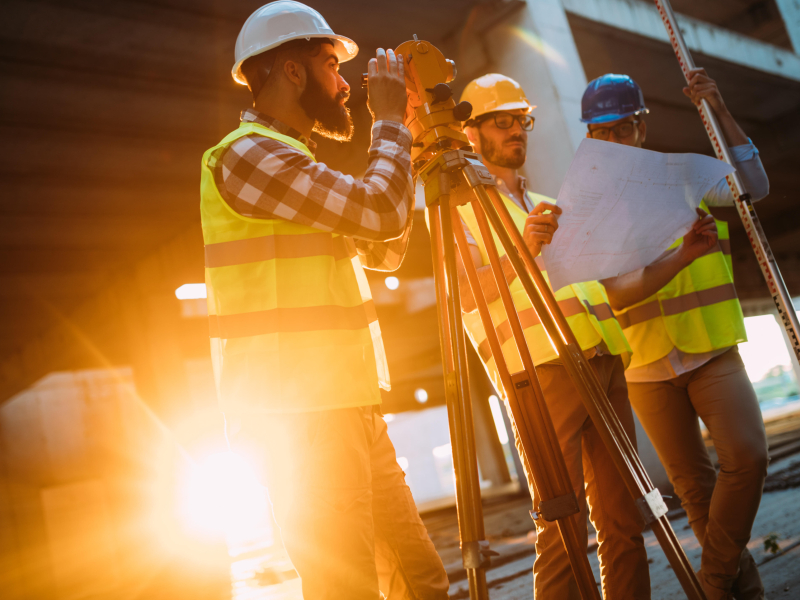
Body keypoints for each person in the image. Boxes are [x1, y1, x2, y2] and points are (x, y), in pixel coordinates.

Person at [199, 3, 449, 598]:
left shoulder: (298, 168)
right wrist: (387, 122)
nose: (345, 86)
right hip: (299, 417)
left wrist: (407, 141)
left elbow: (383, 249)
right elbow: (382, 215)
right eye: (333, 66)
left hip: (347, 406)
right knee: (350, 588)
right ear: (291, 71)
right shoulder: (246, 155)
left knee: (422, 581)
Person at [454, 73, 663, 599]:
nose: (516, 132)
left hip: (600, 358)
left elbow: (594, 286)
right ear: (471, 133)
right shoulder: (459, 212)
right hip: (539, 372)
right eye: (501, 123)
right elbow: (465, 294)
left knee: (624, 517)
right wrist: (523, 248)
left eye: (521, 122)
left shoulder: (547, 201)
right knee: (562, 525)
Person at [588, 72, 771, 600]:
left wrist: (719, 109)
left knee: (748, 457)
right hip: (646, 364)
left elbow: (753, 186)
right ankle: (747, 593)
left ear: (642, 128)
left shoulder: (684, 178)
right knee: (694, 490)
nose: (615, 142)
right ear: (590, 139)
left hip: (710, 350)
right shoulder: (591, 211)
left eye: (623, 129)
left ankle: (712, 584)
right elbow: (617, 293)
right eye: (603, 134)